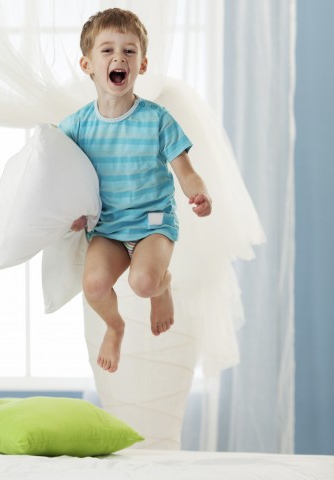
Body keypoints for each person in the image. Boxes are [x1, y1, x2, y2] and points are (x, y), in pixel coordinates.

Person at [59, 8, 212, 373]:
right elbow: (61, 177)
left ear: (141, 65)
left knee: (143, 283)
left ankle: (162, 287)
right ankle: (115, 325)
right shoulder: (76, 126)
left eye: (129, 51)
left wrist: (198, 193)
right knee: (94, 285)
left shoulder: (157, 119)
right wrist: (72, 214)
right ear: (88, 64)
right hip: (109, 228)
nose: (119, 58)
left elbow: (186, 172)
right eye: (107, 50)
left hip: (153, 224)